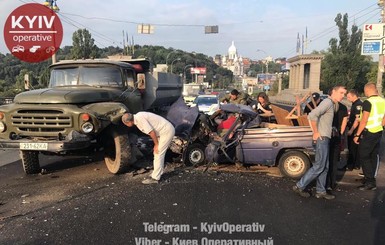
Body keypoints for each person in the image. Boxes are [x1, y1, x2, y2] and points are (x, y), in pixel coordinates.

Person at [292, 85, 346, 200]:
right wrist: (316, 132)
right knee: (319, 166)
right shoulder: (327, 102)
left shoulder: (331, 104)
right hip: (322, 139)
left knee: (325, 166)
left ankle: (321, 191)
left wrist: (332, 130)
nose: (343, 96)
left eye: (344, 94)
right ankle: (299, 186)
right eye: (341, 93)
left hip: (326, 137)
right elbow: (312, 115)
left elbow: (323, 120)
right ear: (334, 92)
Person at [122, 112, 175, 184]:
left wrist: (156, 144)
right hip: (162, 131)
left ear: (129, 122)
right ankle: (158, 172)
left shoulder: (140, 120)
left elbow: (151, 132)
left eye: (126, 124)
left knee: (158, 153)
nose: (126, 125)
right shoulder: (138, 117)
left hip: (166, 131)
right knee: (156, 153)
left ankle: (155, 178)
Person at [353, 83, 385, 191]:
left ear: (367, 90)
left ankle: (369, 181)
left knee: (364, 155)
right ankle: (371, 180)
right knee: (372, 155)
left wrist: (357, 134)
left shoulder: (368, 102)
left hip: (369, 132)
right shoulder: (382, 100)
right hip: (378, 131)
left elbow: (364, 120)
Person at [326, 100, 348, 190]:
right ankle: (331, 183)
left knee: (325, 160)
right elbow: (344, 121)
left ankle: (324, 183)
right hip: (337, 135)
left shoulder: (326, 104)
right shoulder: (343, 107)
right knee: (334, 161)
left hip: (326, 135)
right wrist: (341, 133)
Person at [346, 89, 363, 170]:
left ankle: (351, 165)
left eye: (349, 97)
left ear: (354, 96)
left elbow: (357, 119)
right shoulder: (355, 104)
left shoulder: (358, 105)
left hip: (355, 129)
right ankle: (356, 164)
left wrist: (351, 130)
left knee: (352, 148)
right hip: (354, 128)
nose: (347, 99)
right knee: (355, 148)